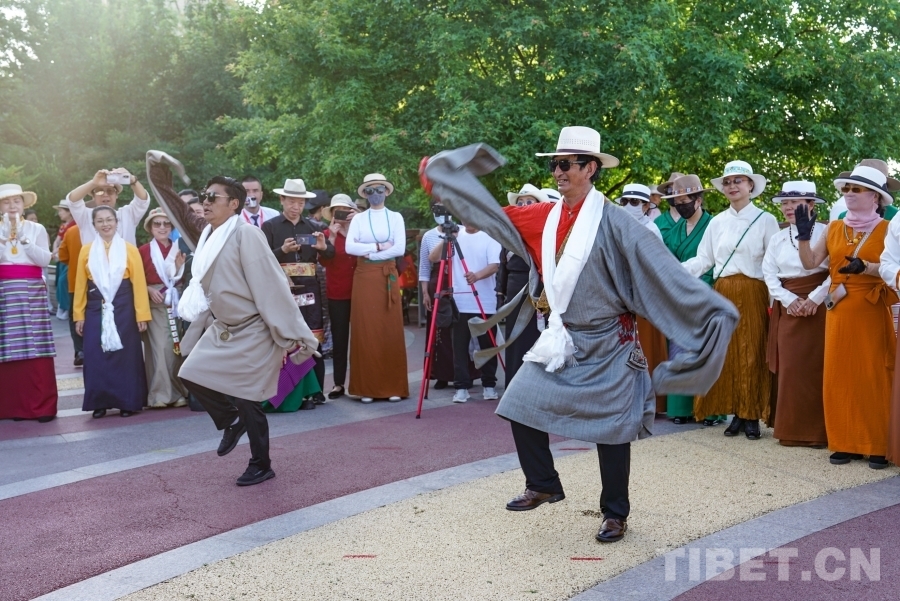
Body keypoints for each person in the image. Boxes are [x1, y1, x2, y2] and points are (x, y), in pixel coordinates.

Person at [423, 126, 738, 544]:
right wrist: (446, 183)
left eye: (566, 164)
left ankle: (615, 513)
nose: (558, 172)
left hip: (612, 342)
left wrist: (713, 312)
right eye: (555, 164)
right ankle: (543, 483)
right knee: (518, 402)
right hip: (563, 339)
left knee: (613, 430)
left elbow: (662, 272)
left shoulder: (619, 221)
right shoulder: (543, 216)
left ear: (590, 168)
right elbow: (488, 218)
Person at [151, 164, 318, 486]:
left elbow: (270, 285)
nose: (206, 201)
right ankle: (231, 421)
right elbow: (181, 213)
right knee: (189, 373)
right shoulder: (207, 235)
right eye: (204, 196)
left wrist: (293, 334)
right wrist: (160, 180)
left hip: (255, 329)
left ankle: (261, 464)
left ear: (234, 204)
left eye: (213, 197)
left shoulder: (247, 234)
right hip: (224, 327)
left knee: (247, 399)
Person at [798, 164, 897, 469]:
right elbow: (810, 263)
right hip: (839, 310)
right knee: (839, 375)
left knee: (873, 374)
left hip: (872, 308)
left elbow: (891, 268)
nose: (849, 193)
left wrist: (865, 268)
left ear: (875, 197)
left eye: (857, 189)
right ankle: (844, 442)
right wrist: (803, 236)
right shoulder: (833, 227)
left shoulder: (888, 228)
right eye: (847, 189)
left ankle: (877, 444)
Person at [682, 160, 780, 440]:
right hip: (723, 292)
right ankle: (736, 412)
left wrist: (774, 301)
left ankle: (752, 414)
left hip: (753, 291)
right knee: (727, 353)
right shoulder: (717, 222)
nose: (732, 186)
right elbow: (704, 259)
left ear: (751, 185)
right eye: (727, 182)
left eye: (738, 181)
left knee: (752, 353)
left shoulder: (765, 220)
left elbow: (773, 263)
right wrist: (675, 271)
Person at [762, 181, 830, 448]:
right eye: (785, 203)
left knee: (818, 367)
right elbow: (769, 274)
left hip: (820, 307)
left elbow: (836, 270)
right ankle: (790, 430)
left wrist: (815, 298)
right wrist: (789, 300)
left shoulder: (827, 232)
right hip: (789, 308)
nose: (788, 207)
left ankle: (820, 432)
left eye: (795, 202)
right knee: (790, 368)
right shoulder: (777, 238)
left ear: (811, 204)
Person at [262, 178, 333, 408]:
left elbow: (331, 254)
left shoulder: (313, 227)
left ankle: (317, 390)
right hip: (281, 288)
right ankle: (285, 390)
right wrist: (283, 250)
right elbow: (261, 259)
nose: (296, 207)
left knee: (313, 336)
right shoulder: (270, 227)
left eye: (300, 203)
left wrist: (323, 247)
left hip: (310, 288)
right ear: (282, 200)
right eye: (292, 201)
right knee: (285, 337)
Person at [74, 206, 150, 418]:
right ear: (94, 225)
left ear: (117, 222)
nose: (105, 224)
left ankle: (128, 402)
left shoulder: (129, 250)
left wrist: (142, 315)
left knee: (126, 355)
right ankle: (99, 403)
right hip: (95, 306)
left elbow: (139, 284)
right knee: (95, 355)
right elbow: (80, 286)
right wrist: (79, 315)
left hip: (124, 305)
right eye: (100, 221)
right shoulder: (86, 251)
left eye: (109, 219)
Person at [657, 174, 719, 425]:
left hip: (707, 291)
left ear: (698, 200)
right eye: (677, 202)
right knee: (679, 348)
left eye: (685, 202)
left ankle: (709, 409)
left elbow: (715, 261)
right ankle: (681, 408)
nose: (681, 206)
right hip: (679, 295)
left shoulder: (714, 225)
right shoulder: (673, 231)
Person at [345, 173, 409, 403]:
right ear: (364, 194)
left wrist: (371, 253)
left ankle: (393, 386)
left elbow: (399, 248)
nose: (375, 194)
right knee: (366, 329)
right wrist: (379, 247)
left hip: (386, 275)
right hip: (364, 276)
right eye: (370, 191)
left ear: (386, 192)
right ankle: (367, 388)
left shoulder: (396, 217)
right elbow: (349, 247)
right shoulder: (358, 219)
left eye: (379, 189)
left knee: (389, 329)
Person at [0, 184, 58, 422]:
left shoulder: (36, 228)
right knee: (7, 345)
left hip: (32, 289)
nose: (12, 206)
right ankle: (11, 406)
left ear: (24, 204)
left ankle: (41, 406)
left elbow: (45, 259)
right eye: (6, 202)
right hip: (4, 290)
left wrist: (24, 240)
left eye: (16, 201)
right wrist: (4, 238)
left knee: (36, 345)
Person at [428, 224, 502, 402]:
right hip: (460, 302)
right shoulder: (456, 235)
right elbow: (433, 257)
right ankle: (461, 387)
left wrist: (477, 276)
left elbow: (494, 266)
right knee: (459, 348)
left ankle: (489, 385)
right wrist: (447, 239)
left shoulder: (489, 236)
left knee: (487, 346)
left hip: (485, 301)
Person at [617, 183, 668, 413]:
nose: (629, 206)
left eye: (635, 202)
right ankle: (624, 400)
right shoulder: (616, 226)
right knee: (622, 348)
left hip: (646, 296)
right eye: (625, 201)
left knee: (646, 347)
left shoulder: (652, 230)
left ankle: (650, 402)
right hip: (620, 295)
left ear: (647, 206)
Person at [498, 184, 550, 385]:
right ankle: (513, 386)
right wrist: (500, 293)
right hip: (515, 289)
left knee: (537, 339)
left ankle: (535, 387)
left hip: (538, 290)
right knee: (515, 339)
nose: (524, 205)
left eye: (529, 201)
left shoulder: (545, 231)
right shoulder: (510, 234)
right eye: (520, 202)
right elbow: (503, 266)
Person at [139, 208, 189, 409]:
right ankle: (159, 394)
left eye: (166, 223)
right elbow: (135, 279)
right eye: (157, 224)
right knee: (160, 348)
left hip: (178, 303)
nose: (162, 227)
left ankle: (179, 392)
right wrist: (148, 289)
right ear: (150, 227)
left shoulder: (180, 247)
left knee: (178, 348)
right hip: (156, 304)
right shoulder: (143, 251)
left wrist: (178, 266)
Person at [319, 194, 359, 399]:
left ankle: (362, 382)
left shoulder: (360, 232)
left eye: (345, 210)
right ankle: (338, 383)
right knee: (340, 338)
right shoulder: (327, 234)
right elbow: (324, 262)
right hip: (337, 292)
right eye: (337, 211)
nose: (341, 214)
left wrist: (356, 224)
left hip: (361, 291)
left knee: (362, 338)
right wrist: (332, 238)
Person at [66, 168, 151, 246]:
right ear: (93, 197)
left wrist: (132, 179)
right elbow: (73, 201)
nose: (105, 195)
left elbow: (142, 201)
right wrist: (93, 183)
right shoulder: (86, 216)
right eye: (99, 191)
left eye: (110, 191)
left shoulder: (127, 214)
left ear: (116, 195)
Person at [58, 221, 84, 365]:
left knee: (75, 316)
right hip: (98, 284)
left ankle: (80, 350)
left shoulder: (72, 231)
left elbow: (62, 256)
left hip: (75, 281)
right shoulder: (103, 228)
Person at [52, 200, 74, 320]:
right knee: (59, 281)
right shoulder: (63, 226)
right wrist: (55, 251)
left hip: (70, 257)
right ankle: (62, 306)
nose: (59, 213)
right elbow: (57, 240)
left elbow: (66, 242)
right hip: (61, 257)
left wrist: (57, 251)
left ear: (69, 212)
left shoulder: (74, 224)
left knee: (63, 281)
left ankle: (67, 307)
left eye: (61, 211)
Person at [653, 173, 684, 240]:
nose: (673, 192)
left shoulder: (694, 219)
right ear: (666, 192)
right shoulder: (658, 222)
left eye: (677, 189)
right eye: (670, 189)